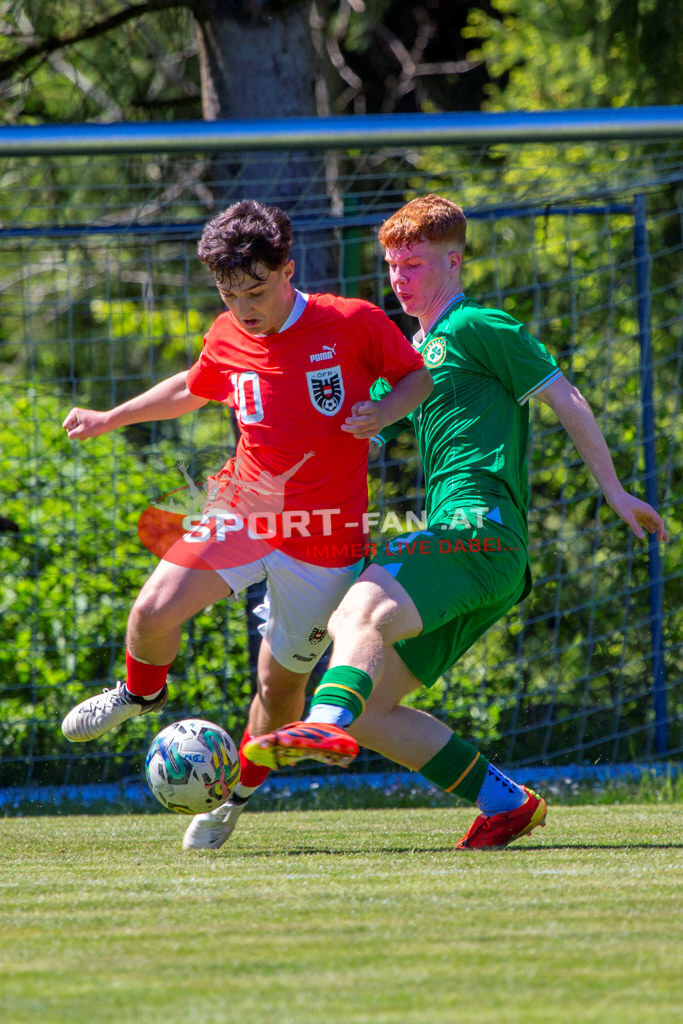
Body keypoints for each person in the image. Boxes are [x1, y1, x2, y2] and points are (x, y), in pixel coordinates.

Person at [245, 193, 670, 850]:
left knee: (357, 612)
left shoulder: (476, 325)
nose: (398, 279)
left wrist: (613, 490)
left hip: (481, 532)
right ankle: (504, 801)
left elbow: (565, 395)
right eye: (391, 265)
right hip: (477, 556)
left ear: (454, 259)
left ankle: (322, 722)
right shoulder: (413, 357)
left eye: (413, 264)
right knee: (372, 707)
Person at [60, 199, 433, 850]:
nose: (242, 307)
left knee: (278, 685)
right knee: (151, 612)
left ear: (288, 270)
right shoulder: (227, 333)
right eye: (228, 293)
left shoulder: (352, 323)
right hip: (243, 509)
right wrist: (111, 417)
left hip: (325, 539)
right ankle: (138, 695)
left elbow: (415, 378)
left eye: (254, 291)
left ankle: (234, 800)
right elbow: (193, 385)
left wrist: (384, 414)